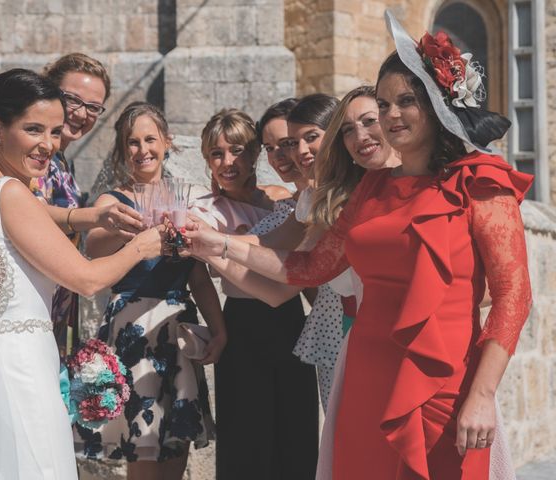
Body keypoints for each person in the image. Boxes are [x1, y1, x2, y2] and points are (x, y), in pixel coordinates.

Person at [184, 11, 533, 479]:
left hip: (445, 380)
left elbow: (514, 296)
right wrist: (217, 244)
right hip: (366, 374)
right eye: (384, 104)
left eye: (405, 101)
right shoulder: (371, 188)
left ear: (435, 105)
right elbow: (309, 267)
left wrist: (483, 395)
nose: (390, 116)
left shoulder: (482, 182)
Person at [0, 69, 164, 479]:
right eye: (33, 129)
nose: (47, 145)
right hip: (19, 373)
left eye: (53, 131)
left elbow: (38, 217)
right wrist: (144, 245)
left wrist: (91, 215)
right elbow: (85, 279)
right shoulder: (13, 194)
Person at [83, 101, 226, 480]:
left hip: (176, 328)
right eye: (132, 142)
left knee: (175, 447)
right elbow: (93, 249)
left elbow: (197, 278)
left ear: (167, 142)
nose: (142, 149)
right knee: (142, 445)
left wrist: (220, 328)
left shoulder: (185, 200)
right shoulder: (112, 202)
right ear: (121, 149)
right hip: (132, 331)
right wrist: (132, 227)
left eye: (150, 139)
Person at [190, 108, 319, 480]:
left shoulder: (283, 201)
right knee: (247, 442)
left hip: (293, 323)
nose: (227, 162)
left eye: (237, 151)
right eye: (216, 154)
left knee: (297, 434)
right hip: (244, 326)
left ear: (254, 156)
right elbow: (202, 278)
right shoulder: (204, 211)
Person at [30, 53, 143, 358]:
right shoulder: (34, 161)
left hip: (60, 307)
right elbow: (30, 213)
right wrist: (95, 216)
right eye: (73, 100)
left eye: (93, 107)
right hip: (33, 304)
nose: (81, 114)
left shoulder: (62, 163)